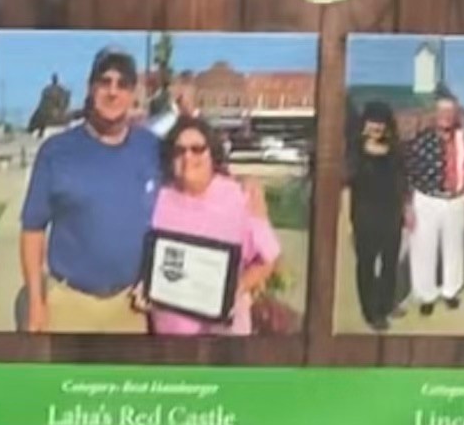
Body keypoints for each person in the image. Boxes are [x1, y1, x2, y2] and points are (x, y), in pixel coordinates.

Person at [21, 49, 159, 334]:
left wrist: (246, 188)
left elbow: (195, 177)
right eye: (105, 82)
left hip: (130, 308)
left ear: (133, 94)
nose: (113, 92)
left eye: (122, 85)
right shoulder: (56, 152)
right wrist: (36, 301)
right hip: (69, 304)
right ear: (91, 88)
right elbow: (32, 229)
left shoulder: (152, 148)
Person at [143, 115, 277, 336]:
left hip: (223, 335)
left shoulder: (239, 196)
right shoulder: (159, 199)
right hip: (168, 338)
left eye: (197, 149)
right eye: (179, 150)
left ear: (212, 154)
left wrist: (233, 290)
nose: (188, 156)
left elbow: (267, 259)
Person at [403, 89, 464, 317]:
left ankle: (450, 291)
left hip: (456, 199)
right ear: (434, 114)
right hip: (427, 199)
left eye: (449, 111)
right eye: (441, 111)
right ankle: (426, 294)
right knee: (424, 248)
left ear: (455, 114)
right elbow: (408, 174)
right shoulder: (420, 140)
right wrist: (408, 206)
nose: (445, 115)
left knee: (454, 247)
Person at [344, 101, 409, 331]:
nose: (377, 127)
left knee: (390, 263)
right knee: (367, 265)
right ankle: (371, 312)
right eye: (372, 122)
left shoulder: (396, 151)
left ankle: (386, 303)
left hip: (391, 214)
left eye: (381, 122)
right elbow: (346, 178)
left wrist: (406, 209)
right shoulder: (355, 151)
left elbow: (403, 183)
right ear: (365, 123)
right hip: (365, 216)